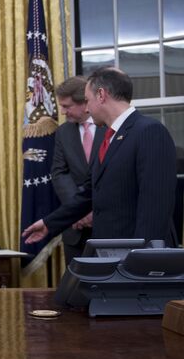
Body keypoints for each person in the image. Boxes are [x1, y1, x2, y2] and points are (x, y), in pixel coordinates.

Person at [23, 67, 177, 246]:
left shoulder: (149, 131)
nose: (87, 108)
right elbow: (89, 194)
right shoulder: (110, 137)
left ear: (101, 95)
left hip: (137, 254)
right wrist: (49, 223)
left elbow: (155, 205)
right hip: (111, 251)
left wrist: (142, 258)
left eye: (87, 100)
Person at [52, 76, 106, 264]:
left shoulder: (110, 128)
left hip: (107, 226)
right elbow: (59, 173)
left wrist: (93, 211)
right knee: (75, 288)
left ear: (85, 104)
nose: (62, 112)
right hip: (75, 228)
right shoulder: (63, 132)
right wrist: (79, 211)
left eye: (66, 106)